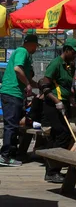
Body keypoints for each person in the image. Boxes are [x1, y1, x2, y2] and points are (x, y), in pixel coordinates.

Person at [41, 38, 76, 183]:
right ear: (67, 50)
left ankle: (51, 169)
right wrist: (56, 100)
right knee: (63, 133)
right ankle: (53, 170)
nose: (75, 55)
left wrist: (71, 98)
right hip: (53, 105)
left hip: (64, 104)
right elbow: (44, 85)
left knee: (56, 135)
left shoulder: (70, 66)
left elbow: (67, 86)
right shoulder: (56, 64)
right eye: (73, 52)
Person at [0, 33, 39, 167]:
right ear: (32, 44)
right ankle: (5, 156)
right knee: (11, 126)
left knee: (14, 125)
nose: (36, 49)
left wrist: (36, 86)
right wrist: (28, 85)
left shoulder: (20, 52)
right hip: (12, 93)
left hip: (14, 93)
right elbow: (17, 69)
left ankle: (13, 152)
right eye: (36, 46)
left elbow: (24, 77)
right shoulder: (22, 51)